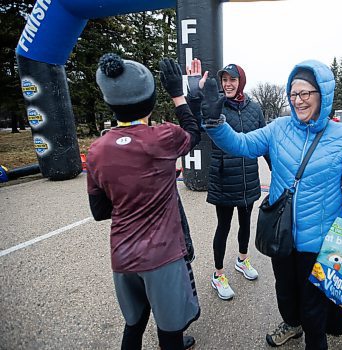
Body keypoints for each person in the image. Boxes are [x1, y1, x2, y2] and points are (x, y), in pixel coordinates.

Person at [199, 59, 342, 349]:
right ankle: (291, 324)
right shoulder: (278, 129)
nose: (298, 101)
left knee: (314, 310)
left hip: (319, 240)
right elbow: (241, 144)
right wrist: (215, 123)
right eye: (293, 94)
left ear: (322, 95)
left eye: (305, 94)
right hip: (282, 232)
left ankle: (313, 339)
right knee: (285, 293)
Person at [86, 53, 200, 350]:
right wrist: (179, 93)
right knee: (170, 333)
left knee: (134, 325)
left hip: (122, 256)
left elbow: (99, 211)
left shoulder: (96, 150)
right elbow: (194, 131)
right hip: (162, 257)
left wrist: (129, 197)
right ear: (150, 101)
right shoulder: (163, 137)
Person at [186, 59, 270, 301]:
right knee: (223, 227)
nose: (228, 84)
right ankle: (218, 274)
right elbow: (196, 122)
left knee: (245, 224)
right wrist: (194, 93)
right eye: (225, 80)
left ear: (241, 81)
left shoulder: (255, 108)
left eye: (232, 79)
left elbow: (265, 142)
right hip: (223, 177)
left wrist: (276, 168)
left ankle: (243, 260)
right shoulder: (216, 105)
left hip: (248, 178)